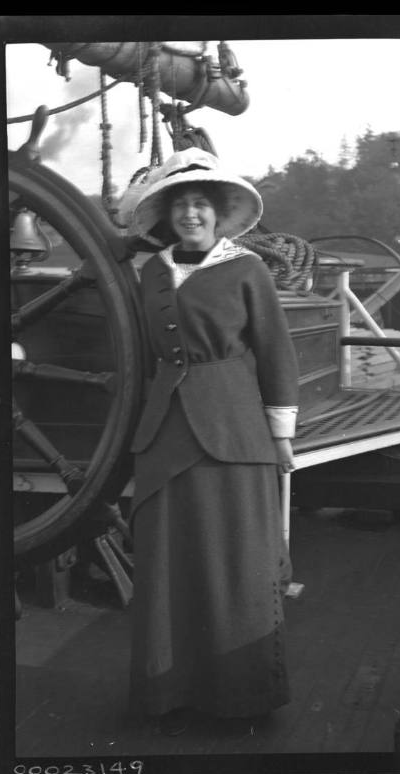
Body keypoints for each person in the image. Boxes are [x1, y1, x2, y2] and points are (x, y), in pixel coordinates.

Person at [122, 147, 299, 736]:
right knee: (170, 562)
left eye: (202, 204)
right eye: (182, 205)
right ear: (168, 216)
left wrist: (281, 437)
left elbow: (277, 353)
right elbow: (141, 361)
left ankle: (242, 696)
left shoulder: (248, 270)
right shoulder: (150, 273)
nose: (192, 214)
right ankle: (169, 692)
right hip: (164, 437)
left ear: (219, 214)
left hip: (235, 433)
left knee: (236, 564)